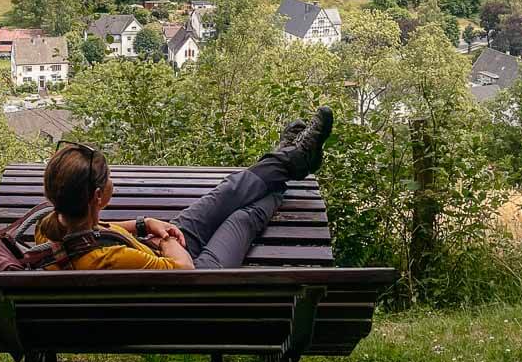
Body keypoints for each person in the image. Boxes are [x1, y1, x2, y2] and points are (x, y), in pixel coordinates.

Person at [34, 107, 334, 270]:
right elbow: (184, 272)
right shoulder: (114, 260)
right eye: (108, 177)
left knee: (225, 193)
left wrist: (143, 224)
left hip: (158, 250)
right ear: (98, 196)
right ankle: (290, 160)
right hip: (198, 280)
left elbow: (94, 232)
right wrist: (166, 243)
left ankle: (289, 157)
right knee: (243, 215)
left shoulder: (48, 229)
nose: (114, 181)